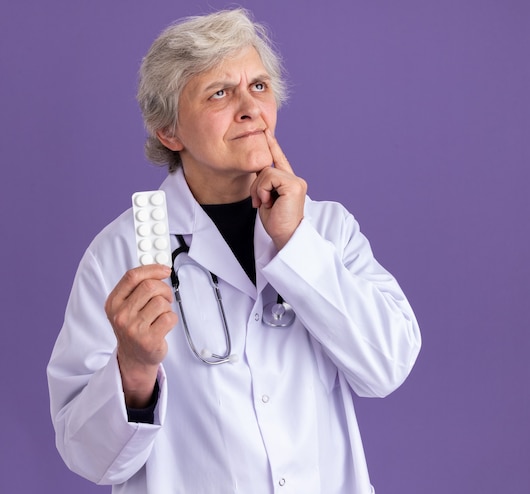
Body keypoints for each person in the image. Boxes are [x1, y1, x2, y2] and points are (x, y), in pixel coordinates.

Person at [47, 8, 421, 493]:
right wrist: (134, 370)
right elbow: (89, 458)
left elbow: (387, 367)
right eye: (219, 93)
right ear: (170, 131)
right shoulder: (120, 256)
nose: (250, 108)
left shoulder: (326, 228)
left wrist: (296, 245)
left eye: (259, 87)